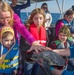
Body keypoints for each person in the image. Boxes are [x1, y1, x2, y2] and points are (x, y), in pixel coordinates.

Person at [20, 8, 50, 75]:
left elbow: (46, 44)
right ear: (32, 19)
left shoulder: (45, 31)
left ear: (43, 19)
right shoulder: (27, 30)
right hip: (28, 60)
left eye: (40, 18)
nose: (38, 21)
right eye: (36, 18)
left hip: (40, 60)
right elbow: (22, 45)